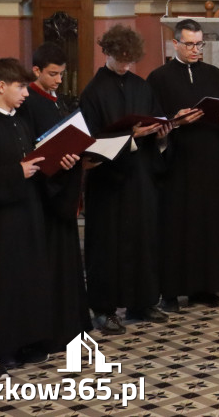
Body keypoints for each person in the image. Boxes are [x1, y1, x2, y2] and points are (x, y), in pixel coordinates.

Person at [0, 58, 80, 379]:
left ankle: (22, 341)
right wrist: (16, 173)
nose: (26, 92)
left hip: (26, 219)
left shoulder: (20, 123)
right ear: (1, 86)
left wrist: (61, 166)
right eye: (21, 86)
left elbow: (36, 168)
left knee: (24, 282)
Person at [80, 25, 171, 334]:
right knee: (107, 245)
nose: (125, 65)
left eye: (130, 60)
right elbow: (90, 143)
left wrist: (160, 133)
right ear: (107, 52)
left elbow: (155, 118)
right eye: (120, 58)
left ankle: (142, 302)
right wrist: (130, 136)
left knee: (144, 239)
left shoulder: (141, 86)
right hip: (109, 182)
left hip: (141, 176)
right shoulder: (93, 92)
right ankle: (104, 310)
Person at [147, 19, 219, 311]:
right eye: (189, 44)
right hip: (176, 163)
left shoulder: (214, 75)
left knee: (208, 224)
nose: (195, 49)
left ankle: (205, 287)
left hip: (209, 159)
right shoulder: (158, 78)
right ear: (175, 44)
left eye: (200, 44)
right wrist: (174, 121)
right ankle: (171, 292)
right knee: (175, 226)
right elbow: (154, 121)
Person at [15, 43, 91, 351]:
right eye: (53, 74)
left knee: (67, 261)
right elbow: (31, 148)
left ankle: (71, 325)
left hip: (64, 190)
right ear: (36, 71)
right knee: (49, 264)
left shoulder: (58, 100)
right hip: (46, 196)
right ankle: (53, 329)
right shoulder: (29, 102)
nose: (59, 80)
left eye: (62, 74)